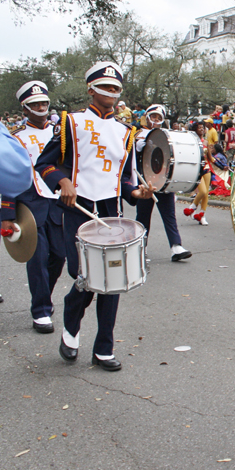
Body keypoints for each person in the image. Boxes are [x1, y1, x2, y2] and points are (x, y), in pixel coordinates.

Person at [35, 61, 155, 372]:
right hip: (77, 209)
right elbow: (45, 164)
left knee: (112, 280)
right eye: (105, 86)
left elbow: (123, 179)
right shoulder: (69, 123)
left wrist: (135, 193)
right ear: (91, 88)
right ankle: (71, 328)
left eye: (116, 87)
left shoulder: (125, 131)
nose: (112, 92)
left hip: (110, 211)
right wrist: (63, 182)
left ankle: (104, 348)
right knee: (85, 278)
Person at [0, 81, 65, 333]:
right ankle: (40, 310)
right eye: (34, 104)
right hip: (29, 203)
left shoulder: (61, 135)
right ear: (24, 109)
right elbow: (7, 177)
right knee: (37, 258)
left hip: (57, 202)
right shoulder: (14, 139)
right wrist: (7, 215)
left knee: (59, 256)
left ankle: (44, 297)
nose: (40, 108)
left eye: (43, 104)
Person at [134, 104, 192, 262]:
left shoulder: (166, 135)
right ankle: (140, 248)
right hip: (146, 182)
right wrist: (137, 146)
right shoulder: (138, 133)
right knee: (143, 216)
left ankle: (176, 246)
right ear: (147, 117)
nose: (156, 120)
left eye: (159, 117)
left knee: (169, 215)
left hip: (164, 181)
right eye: (153, 116)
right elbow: (131, 155)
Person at [184, 122, 212, 226]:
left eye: (203, 127)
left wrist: (223, 165)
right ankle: (193, 207)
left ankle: (202, 215)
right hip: (197, 170)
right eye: (199, 127)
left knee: (206, 194)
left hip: (207, 169)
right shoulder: (192, 142)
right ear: (195, 129)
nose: (201, 129)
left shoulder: (206, 142)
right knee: (203, 192)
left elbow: (210, 158)